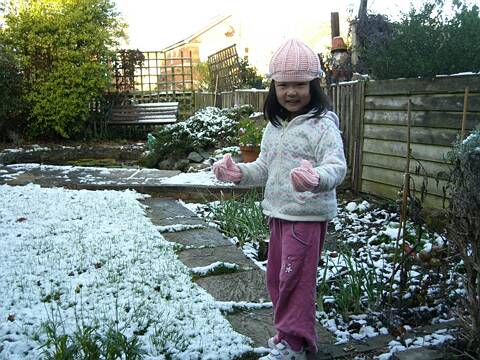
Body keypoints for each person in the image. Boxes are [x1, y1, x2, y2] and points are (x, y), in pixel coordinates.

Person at [212, 38, 346, 359]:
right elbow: (264, 167)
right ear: (273, 87)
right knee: (276, 278)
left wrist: (317, 179)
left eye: (300, 84)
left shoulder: (322, 126)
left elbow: (336, 166)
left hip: (306, 215)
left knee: (295, 281)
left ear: (314, 84)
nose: (291, 92)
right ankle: (288, 334)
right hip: (279, 214)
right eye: (283, 84)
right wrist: (239, 174)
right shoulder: (274, 126)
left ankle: (296, 344)